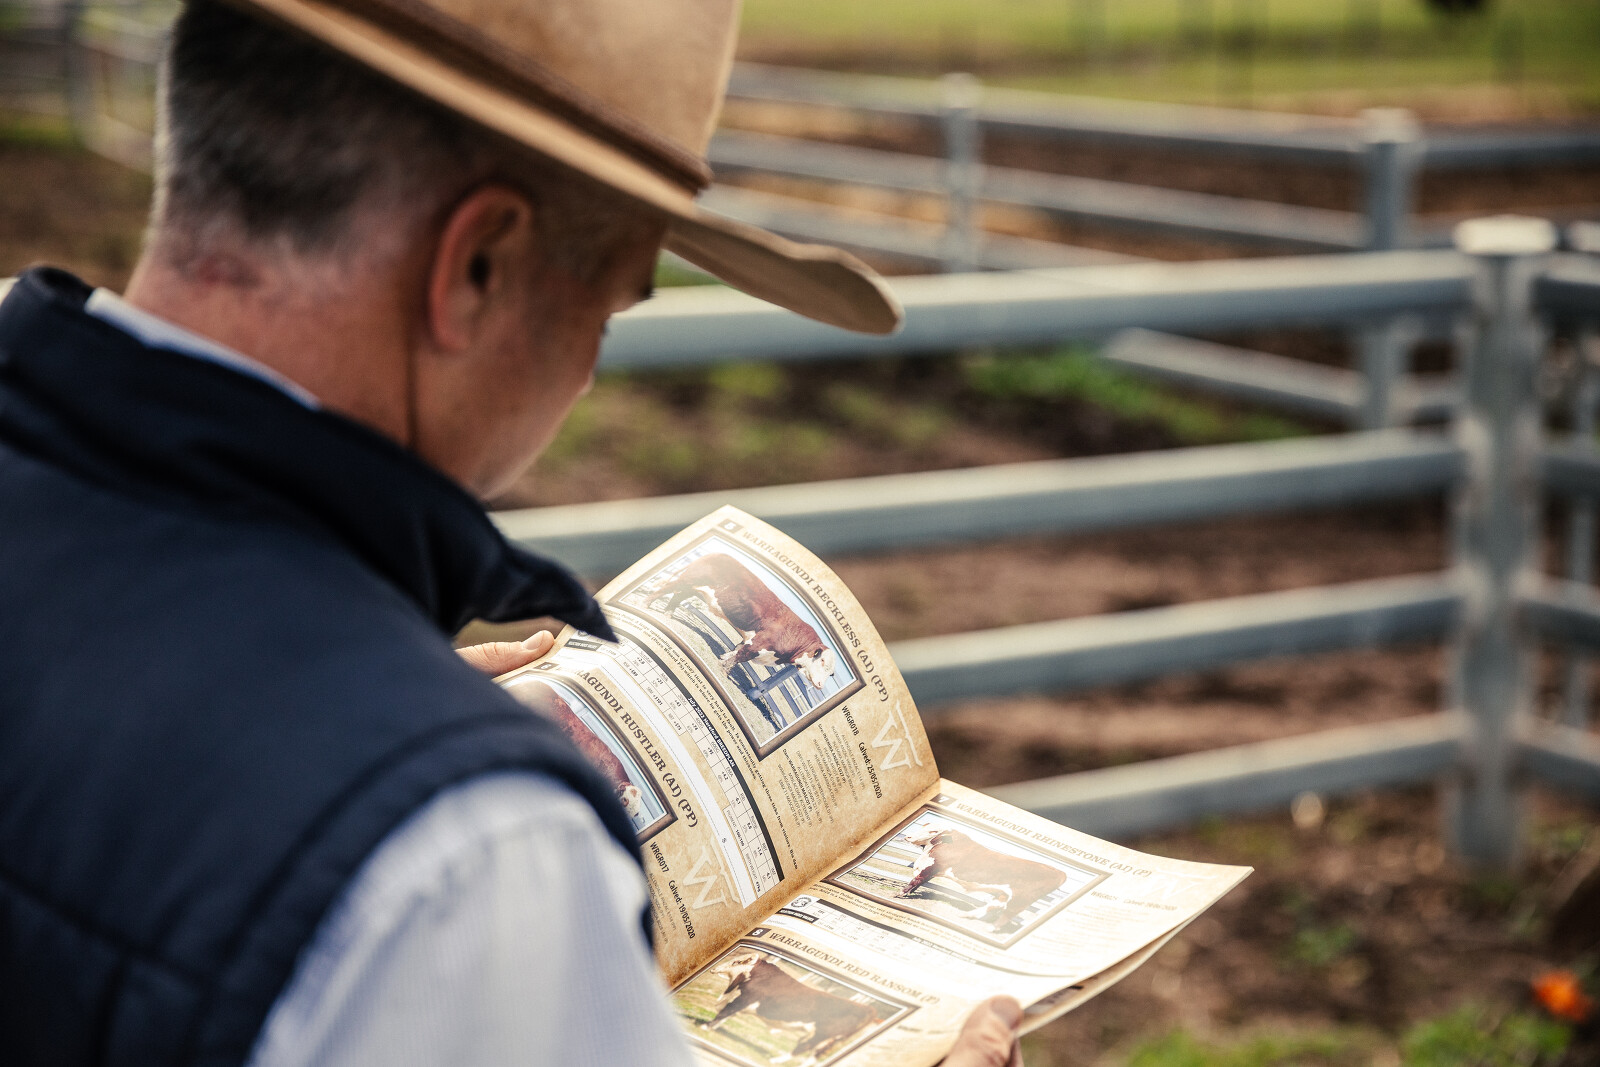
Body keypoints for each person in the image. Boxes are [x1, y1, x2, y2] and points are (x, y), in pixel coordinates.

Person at [0, 0, 1025, 1063]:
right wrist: (392, 745)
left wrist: (356, 702)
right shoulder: (471, 860)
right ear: (478, 264)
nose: (585, 372)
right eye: (606, 308)